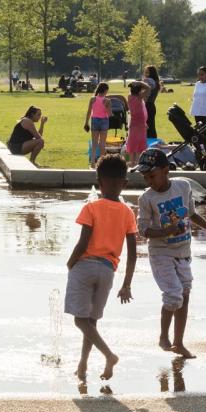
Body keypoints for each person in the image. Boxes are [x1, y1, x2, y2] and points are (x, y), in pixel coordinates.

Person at [135, 149, 206, 359]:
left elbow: (190, 213)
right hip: (160, 253)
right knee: (173, 295)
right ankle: (163, 336)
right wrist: (167, 231)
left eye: (152, 176)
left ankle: (179, 342)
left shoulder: (183, 186)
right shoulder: (146, 199)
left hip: (183, 251)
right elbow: (143, 231)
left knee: (184, 294)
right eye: (145, 177)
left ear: (166, 170)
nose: (148, 181)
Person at [63, 154, 137, 382]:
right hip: (107, 270)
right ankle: (83, 365)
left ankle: (108, 355)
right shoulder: (127, 212)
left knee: (79, 320)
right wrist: (127, 284)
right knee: (91, 321)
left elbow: (83, 242)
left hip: (84, 266)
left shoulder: (91, 207)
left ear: (99, 182)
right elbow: (133, 252)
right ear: (124, 184)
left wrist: (70, 262)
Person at [83, 82, 111, 167]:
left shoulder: (92, 99)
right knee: (102, 143)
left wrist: (86, 122)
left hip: (94, 120)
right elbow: (109, 114)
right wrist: (106, 107)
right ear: (105, 90)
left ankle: (92, 162)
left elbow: (89, 112)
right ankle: (103, 163)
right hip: (104, 121)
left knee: (94, 143)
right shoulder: (107, 100)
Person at [124, 82, 149, 166]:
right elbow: (148, 88)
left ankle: (132, 162)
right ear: (139, 91)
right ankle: (138, 162)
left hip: (134, 122)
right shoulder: (139, 97)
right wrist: (140, 83)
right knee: (140, 143)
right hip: (141, 123)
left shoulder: (129, 97)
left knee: (132, 141)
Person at [142, 65, 162, 139]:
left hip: (147, 106)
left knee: (148, 127)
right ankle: (152, 143)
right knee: (151, 127)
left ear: (152, 73)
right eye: (145, 72)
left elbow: (145, 95)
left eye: (147, 72)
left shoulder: (150, 82)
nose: (145, 74)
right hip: (151, 106)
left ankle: (150, 144)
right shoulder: (155, 82)